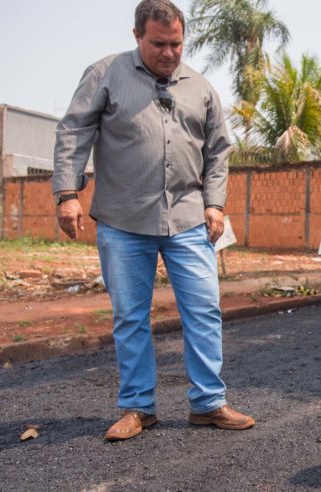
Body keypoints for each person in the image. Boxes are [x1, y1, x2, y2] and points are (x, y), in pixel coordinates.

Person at [53, 0, 254, 441]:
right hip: (123, 220)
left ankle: (208, 403)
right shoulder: (106, 73)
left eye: (177, 43)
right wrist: (68, 193)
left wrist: (215, 203)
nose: (169, 52)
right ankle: (138, 407)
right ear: (137, 36)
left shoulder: (199, 87)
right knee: (130, 316)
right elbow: (74, 130)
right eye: (159, 43)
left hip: (187, 218)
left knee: (203, 310)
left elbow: (219, 150)